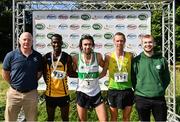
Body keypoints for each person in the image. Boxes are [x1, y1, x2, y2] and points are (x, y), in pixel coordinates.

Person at [2, 32, 43, 121]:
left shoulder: (38, 56)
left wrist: (30, 82)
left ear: (32, 42)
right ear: (19, 41)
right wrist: (13, 83)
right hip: (14, 94)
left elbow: (39, 73)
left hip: (31, 94)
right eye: (24, 39)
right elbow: (5, 73)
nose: (26, 42)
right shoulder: (11, 55)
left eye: (29, 40)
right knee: (10, 119)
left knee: (32, 119)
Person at [131, 34, 170, 121]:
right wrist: (139, 89)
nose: (148, 44)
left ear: (154, 44)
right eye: (145, 42)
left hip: (159, 98)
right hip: (142, 98)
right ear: (141, 44)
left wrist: (159, 89)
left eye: (150, 42)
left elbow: (166, 78)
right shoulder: (136, 60)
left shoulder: (161, 60)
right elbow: (133, 79)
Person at [72, 35, 107, 121]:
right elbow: (72, 72)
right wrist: (82, 77)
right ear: (81, 46)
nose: (87, 47)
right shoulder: (76, 58)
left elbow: (105, 68)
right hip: (82, 93)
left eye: (90, 44)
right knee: (82, 120)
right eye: (85, 44)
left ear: (93, 45)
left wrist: (98, 77)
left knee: (104, 120)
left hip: (96, 93)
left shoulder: (98, 56)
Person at [42, 34, 77, 121]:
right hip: (50, 94)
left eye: (58, 42)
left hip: (63, 94)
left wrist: (83, 75)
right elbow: (44, 74)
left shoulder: (67, 57)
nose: (56, 44)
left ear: (61, 43)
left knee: (65, 119)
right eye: (54, 42)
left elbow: (70, 73)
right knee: (50, 119)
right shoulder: (46, 57)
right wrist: (50, 85)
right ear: (51, 43)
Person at [101, 32, 134, 121]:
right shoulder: (108, 56)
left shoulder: (130, 55)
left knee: (126, 118)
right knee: (113, 118)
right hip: (113, 90)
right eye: (117, 41)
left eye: (121, 41)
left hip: (127, 90)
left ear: (124, 42)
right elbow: (104, 72)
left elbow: (135, 72)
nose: (119, 43)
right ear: (114, 42)